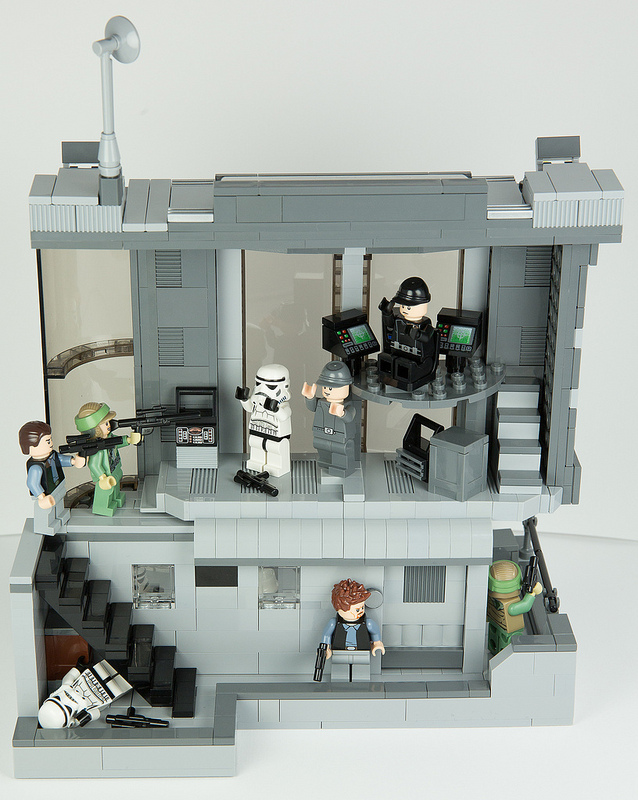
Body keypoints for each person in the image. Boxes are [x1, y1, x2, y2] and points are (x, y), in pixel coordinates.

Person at [19, 420, 85, 535]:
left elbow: (61, 460)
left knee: (59, 503)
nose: (51, 443)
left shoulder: (53, 455)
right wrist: (41, 497)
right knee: (46, 511)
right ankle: (45, 526)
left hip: (57, 486)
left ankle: (60, 516)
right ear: (31, 446)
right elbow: (32, 483)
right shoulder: (36, 467)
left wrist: (74, 461)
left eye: (50, 439)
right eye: (47, 441)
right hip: (45, 494)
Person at [74, 402, 141, 516]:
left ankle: (115, 498)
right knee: (105, 491)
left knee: (116, 487)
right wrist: (102, 477)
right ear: (95, 429)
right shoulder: (97, 448)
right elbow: (94, 465)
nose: (109, 425)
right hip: (105, 476)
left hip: (114, 468)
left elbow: (117, 442)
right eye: (105, 423)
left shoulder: (108, 438)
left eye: (108, 422)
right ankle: (102, 507)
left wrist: (129, 440)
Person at [378, 276, 439, 391]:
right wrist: (387, 313)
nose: (405, 309)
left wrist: (418, 335)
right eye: (403, 306)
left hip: (419, 362)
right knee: (387, 360)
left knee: (410, 368)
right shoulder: (399, 320)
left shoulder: (425, 324)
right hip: (398, 354)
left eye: (409, 307)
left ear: (423, 305)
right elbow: (389, 325)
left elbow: (427, 337)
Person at [302, 361, 360, 478]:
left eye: (330, 388)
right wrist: (310, 397)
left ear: (346, 387)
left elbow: (349, 417)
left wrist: (342, 413)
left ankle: (341, 468)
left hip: (340, 437)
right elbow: (312, 407)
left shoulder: (348, 405)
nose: (327, 390)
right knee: (322, 449)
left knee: (341, 451)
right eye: (325, 387)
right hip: (321, 434)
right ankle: (326, 463)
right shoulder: (322, 402)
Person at [319, 578, 385, 681]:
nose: (361, 611)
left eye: (362, 608)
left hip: (361, 650)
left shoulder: (367, 623)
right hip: (340, 650)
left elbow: (375, 632)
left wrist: (377, 643)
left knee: (362, 670)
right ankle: (339, 685)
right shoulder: (334, 623)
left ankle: (361, 685)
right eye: (357, 610)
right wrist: (325, 648)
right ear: (340, 608)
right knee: (339, 671)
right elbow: (326, 635)